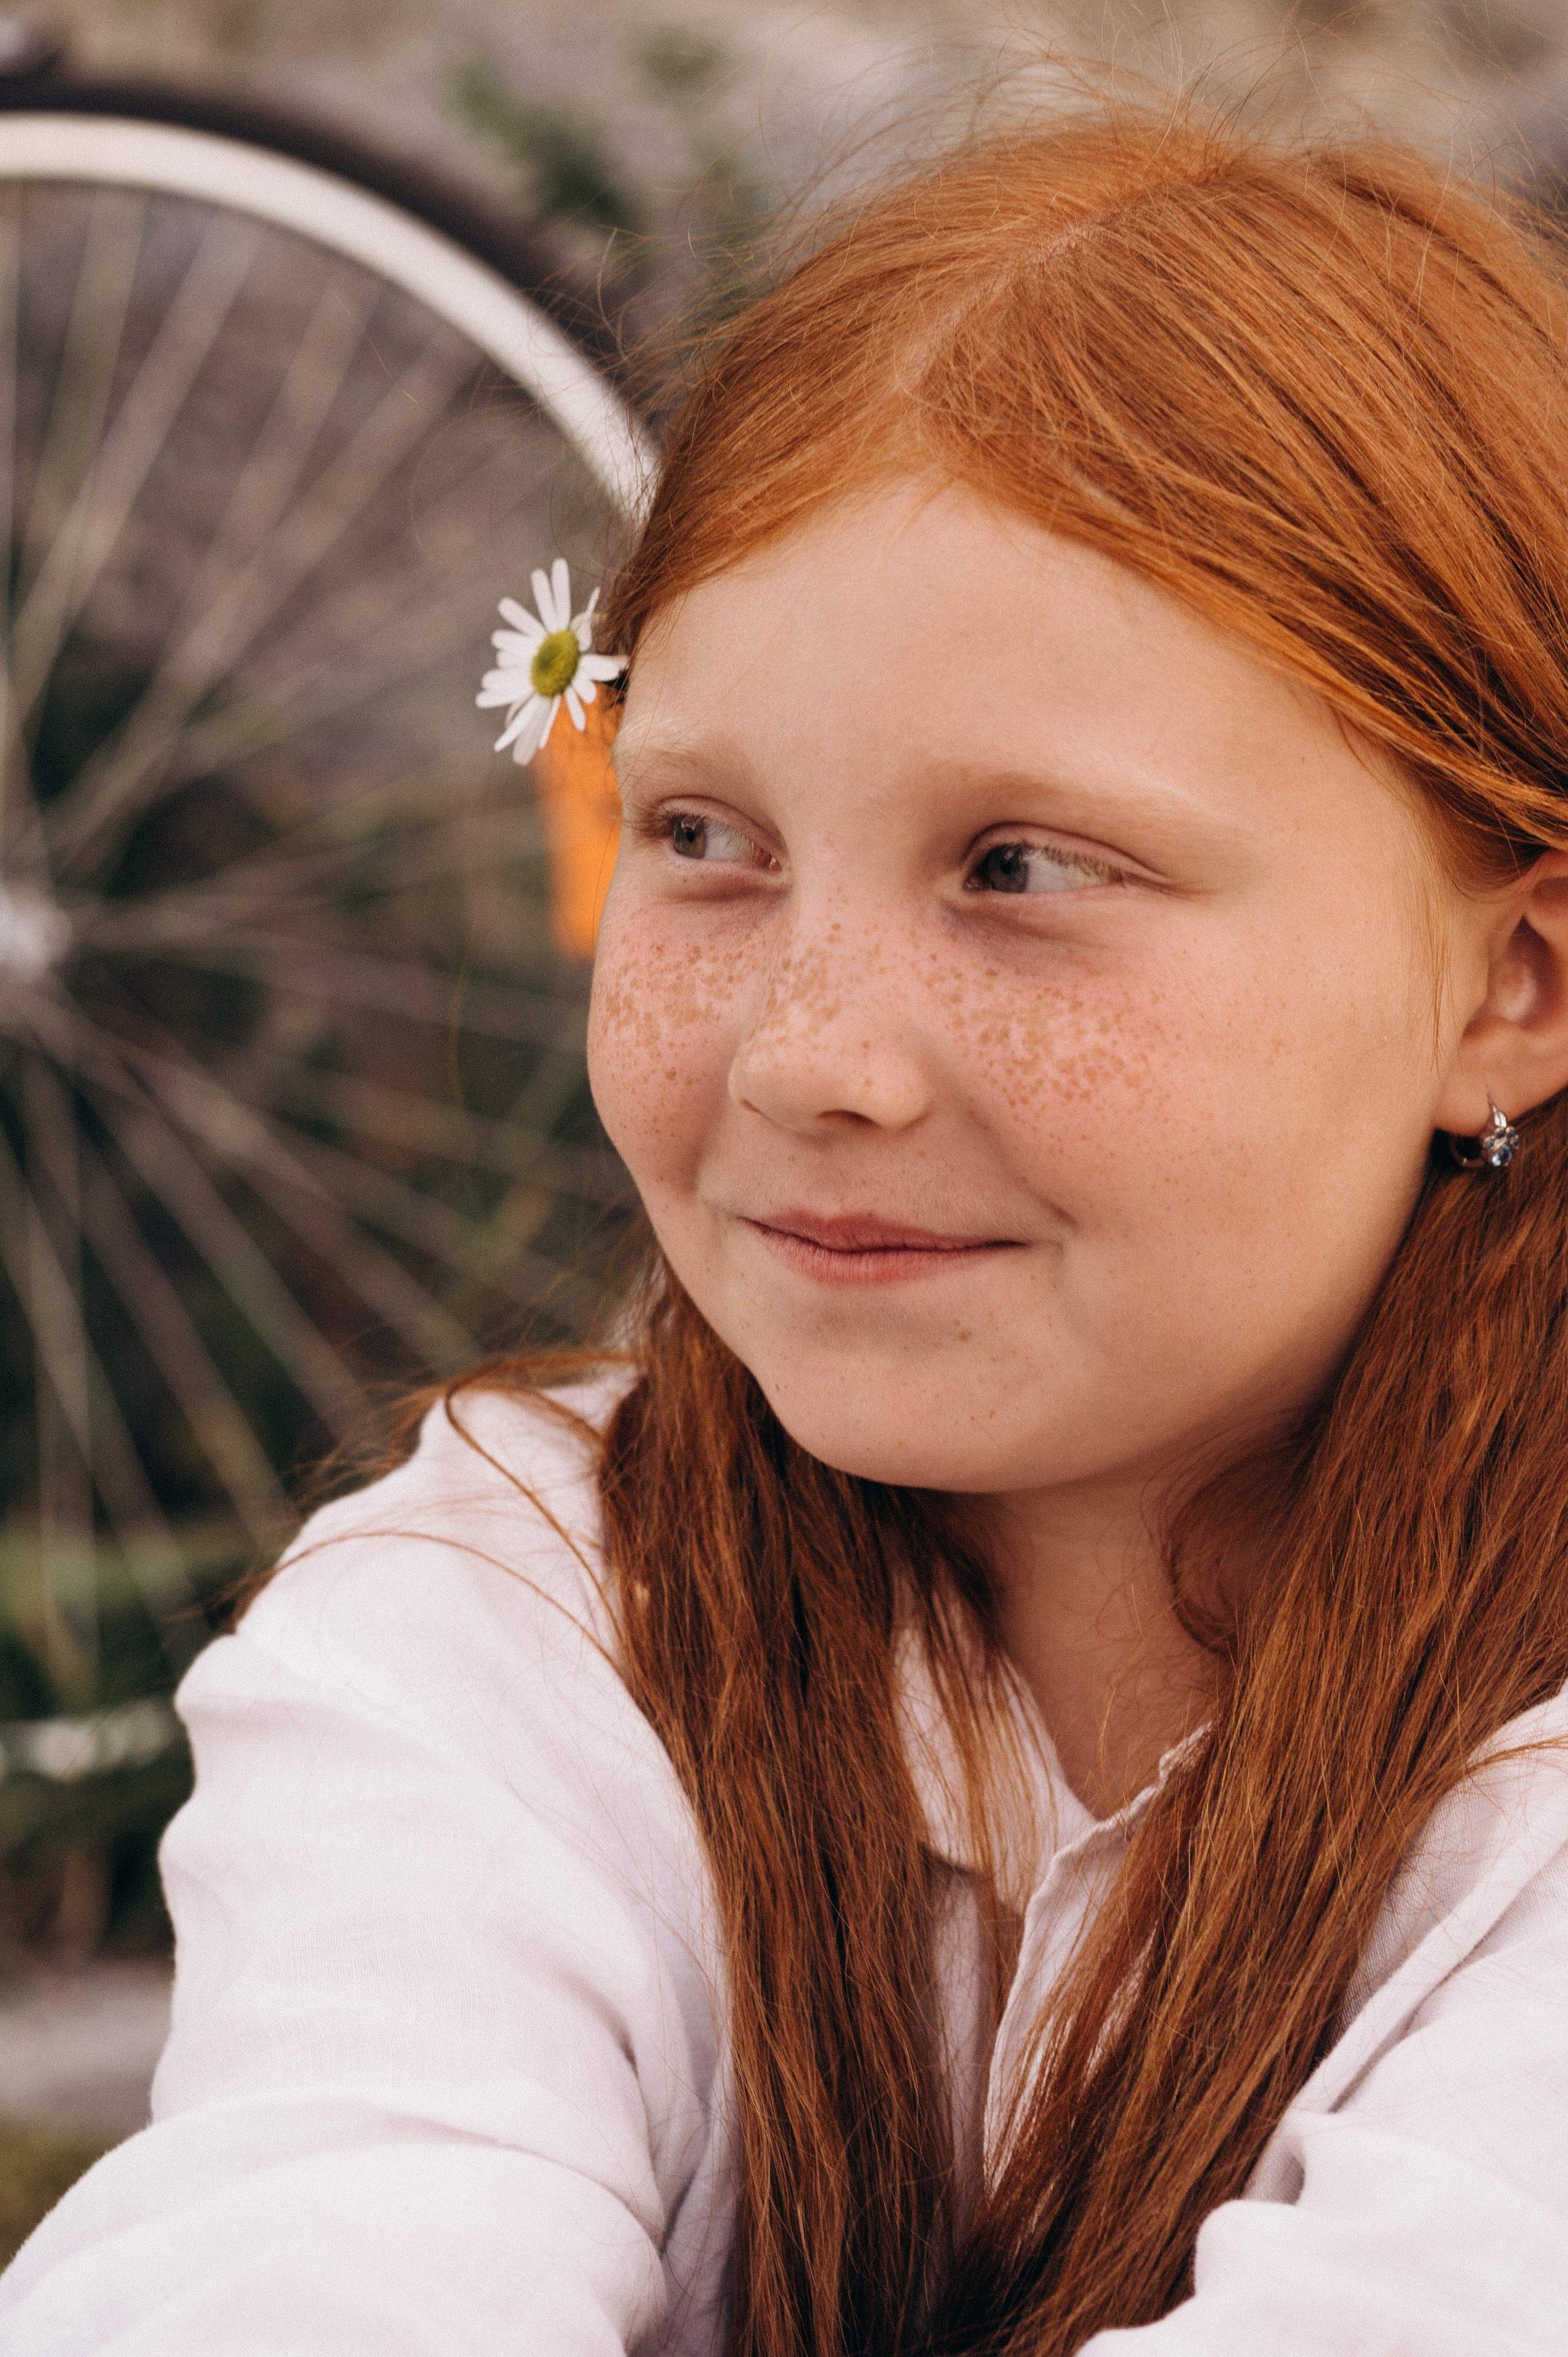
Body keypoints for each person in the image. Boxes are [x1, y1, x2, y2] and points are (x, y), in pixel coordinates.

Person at [7, 100, 1568, 2357]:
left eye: (1024, 869)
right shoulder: (521, 1612)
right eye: (708, 838)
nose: (813, 1054)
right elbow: (322, 2235)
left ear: (1512, 987)